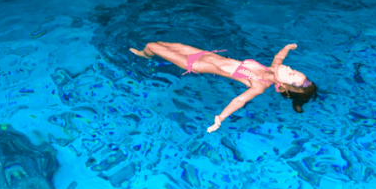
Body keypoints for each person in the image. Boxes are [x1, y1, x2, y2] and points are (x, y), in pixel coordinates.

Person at [129, 41, 316, 132]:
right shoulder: (273, 69)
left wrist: (220, 118)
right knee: (165, 43)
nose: (290, 68)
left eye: (291, 73)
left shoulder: (259, 85)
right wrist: (287, 47)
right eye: (294, 69)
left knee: (152, 46)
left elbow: (239, 100)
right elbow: (279, 58)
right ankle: (147, 53)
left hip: (194, 64)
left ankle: (145, 55)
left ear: (282, 86)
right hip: (203, 54)